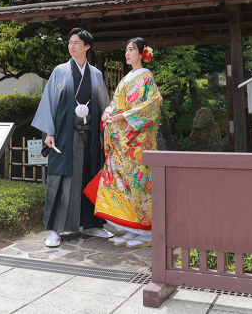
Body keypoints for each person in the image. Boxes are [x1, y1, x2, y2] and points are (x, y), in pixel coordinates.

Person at [32, 28, 112, 247]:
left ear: (87, 46)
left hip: (90, 137)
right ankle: (56, 230)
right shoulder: (60, 71)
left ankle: (93, 224)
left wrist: (107, 132)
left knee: (89, 175)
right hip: (65, 136)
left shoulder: (95, 74)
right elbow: (49, 102)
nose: (72, 46)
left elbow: (104, 105)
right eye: (70, 43)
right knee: (63, 178)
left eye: (77, 43)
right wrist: (49, 132)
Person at [96, 37, 162, 248]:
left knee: (139, 183)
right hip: (121, 140)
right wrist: (107, 113)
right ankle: (131, 229)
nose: (127, 53)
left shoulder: (147, 78)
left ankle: (147, 232)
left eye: (131, 49)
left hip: (137, 140)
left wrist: (124, 117)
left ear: (142, 53)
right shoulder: (127, 78)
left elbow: (152, 105)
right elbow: (115, 103)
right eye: (126, 49)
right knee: (122, 183)